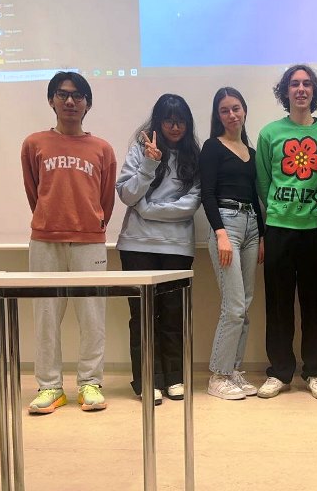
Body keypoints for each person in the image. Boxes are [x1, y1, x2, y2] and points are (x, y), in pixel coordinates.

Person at [21, 71, 117, 414]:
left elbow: (106, 200)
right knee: (46, 316)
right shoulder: (34, 144)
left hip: (89, 242)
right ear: (52, 100)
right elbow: (34, 192)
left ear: (87, 104)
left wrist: (90, 225)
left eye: (78, 96)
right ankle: (50, 386)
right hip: (45, 241)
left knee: (92, 316)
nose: (70, 101)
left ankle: (90, 383)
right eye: (63, 94)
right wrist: (51, 220)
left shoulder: (102, 149)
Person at [255, 65, 317, 400]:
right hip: (279, 229)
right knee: (278, 305)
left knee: (316, 305)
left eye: (306, 84)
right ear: (286, 91)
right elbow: (264, 182)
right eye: (294, 84)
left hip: (315, 233)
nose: (301, 89)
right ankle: (280, 372)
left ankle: (315, 372)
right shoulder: (269, 133)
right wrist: (279, 210)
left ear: (314, 91)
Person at [116, 94, 201, 405]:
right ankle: (147, 380)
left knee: (173, 315)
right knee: (142, 316)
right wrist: (150, 164)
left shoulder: (194, 156)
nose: (175, 127)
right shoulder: (140, 150)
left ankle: (175, 378)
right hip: (136, 245)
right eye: (168, 120)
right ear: (158, 122)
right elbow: (127, 195)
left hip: (177, 247)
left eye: (180, 121)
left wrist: (148, 209)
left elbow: (191, 204)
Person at [200, 87, 265, 400]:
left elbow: (254, 196)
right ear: (218, 115)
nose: (231, 114)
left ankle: (234, 371)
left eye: (236, 108)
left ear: (244, 110)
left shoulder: (250, 151)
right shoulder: (212, 147)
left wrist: (262, 235)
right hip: (227, 225)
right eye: (224, 110)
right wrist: (220, 233)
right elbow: (207, 194)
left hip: (251, 224)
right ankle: (218, 375)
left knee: (245, 303)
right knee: (234, 305)